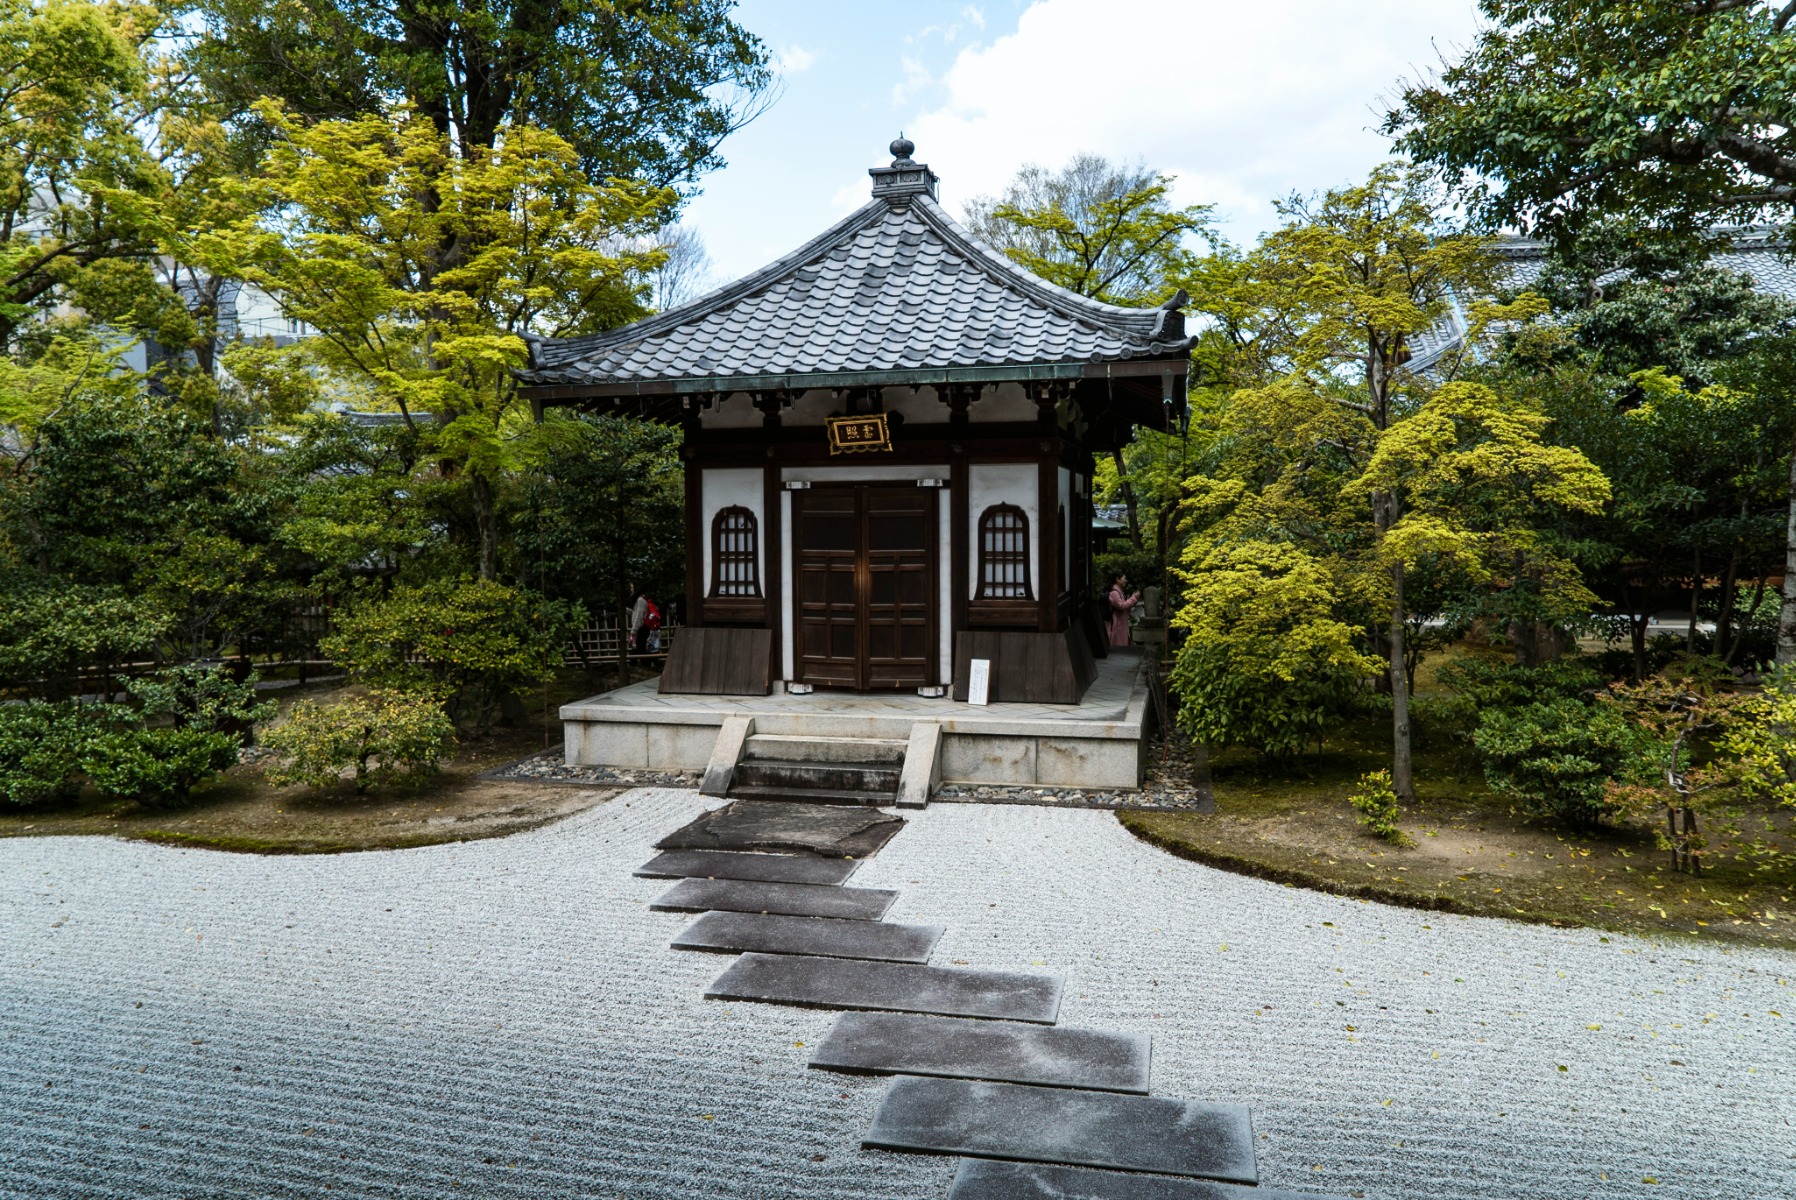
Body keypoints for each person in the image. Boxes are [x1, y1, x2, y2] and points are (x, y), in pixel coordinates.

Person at [1106, 572, 1140, 647]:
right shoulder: (1114, 593)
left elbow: (1125, 608)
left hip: (1121, 624)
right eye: (1124, 579)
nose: (1126, 581)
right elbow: (1121, 606)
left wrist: (1134, 599)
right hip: (1117, 625)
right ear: (1117, 579)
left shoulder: (1119, 592)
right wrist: (1133, 598)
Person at [627, 581, 650, 654]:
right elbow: (635, 613)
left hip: (641, 629)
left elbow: (639, 617)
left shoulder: (640, 600)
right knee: (638, 649)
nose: (631, 590)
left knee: (640, 649)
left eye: (632, 588)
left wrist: (633, 631)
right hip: (639, 628)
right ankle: (634, 663)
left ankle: (654, 662)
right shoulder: (638, 600)